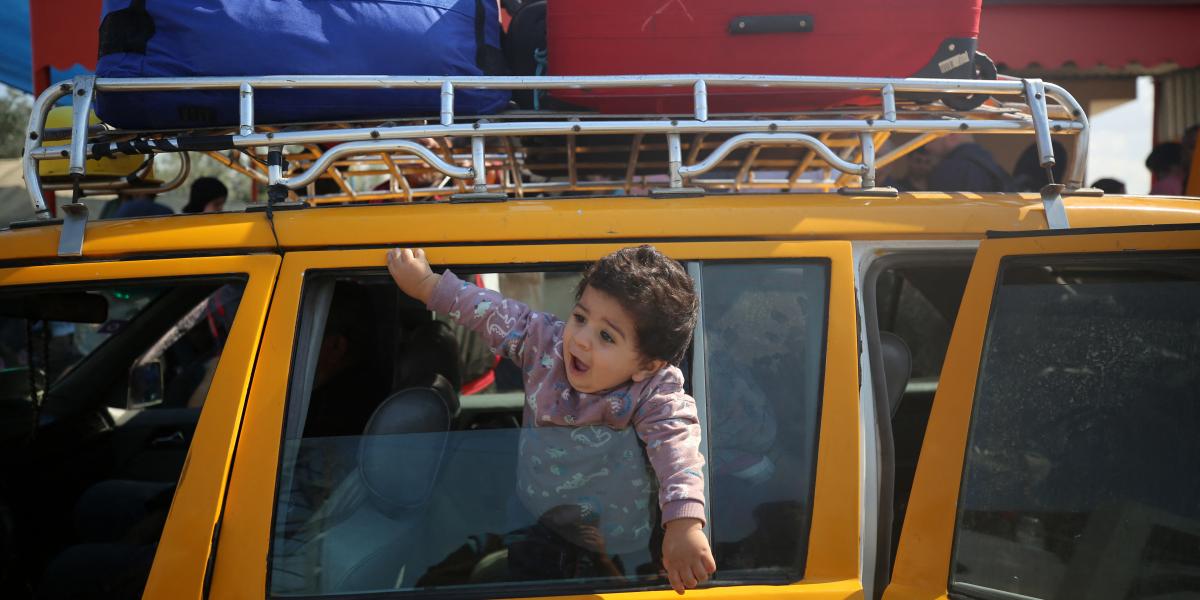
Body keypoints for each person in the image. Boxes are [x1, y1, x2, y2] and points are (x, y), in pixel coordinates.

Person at [387, 245, 716, 594]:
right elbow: (490, 311)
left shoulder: (655, 391)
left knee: (604, 585)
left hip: (611, 530)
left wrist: (684, 523)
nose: (581, 340)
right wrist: (426, 285)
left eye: (606, 336)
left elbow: (677, 449)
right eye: (580, 317)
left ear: (647, 365)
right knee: (528, 582)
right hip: (536, 511)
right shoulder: (545, 344)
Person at [925, 134, 1012, 192]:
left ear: (952, 136)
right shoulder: (992, 167)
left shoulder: (953, 169)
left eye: (930, 139)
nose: (927, 146)